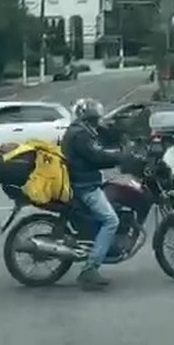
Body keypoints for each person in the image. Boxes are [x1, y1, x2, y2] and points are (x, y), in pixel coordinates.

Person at [61, 97, 124, 290]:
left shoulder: (79, 131)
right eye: (95, 119)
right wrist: (121, 156)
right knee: (111, 220)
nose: (98, 123)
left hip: (83, 180)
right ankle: (90, 268)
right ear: (87, 118)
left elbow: (100, 145)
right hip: (84, 185)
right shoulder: (81, 135)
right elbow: (97, 156)